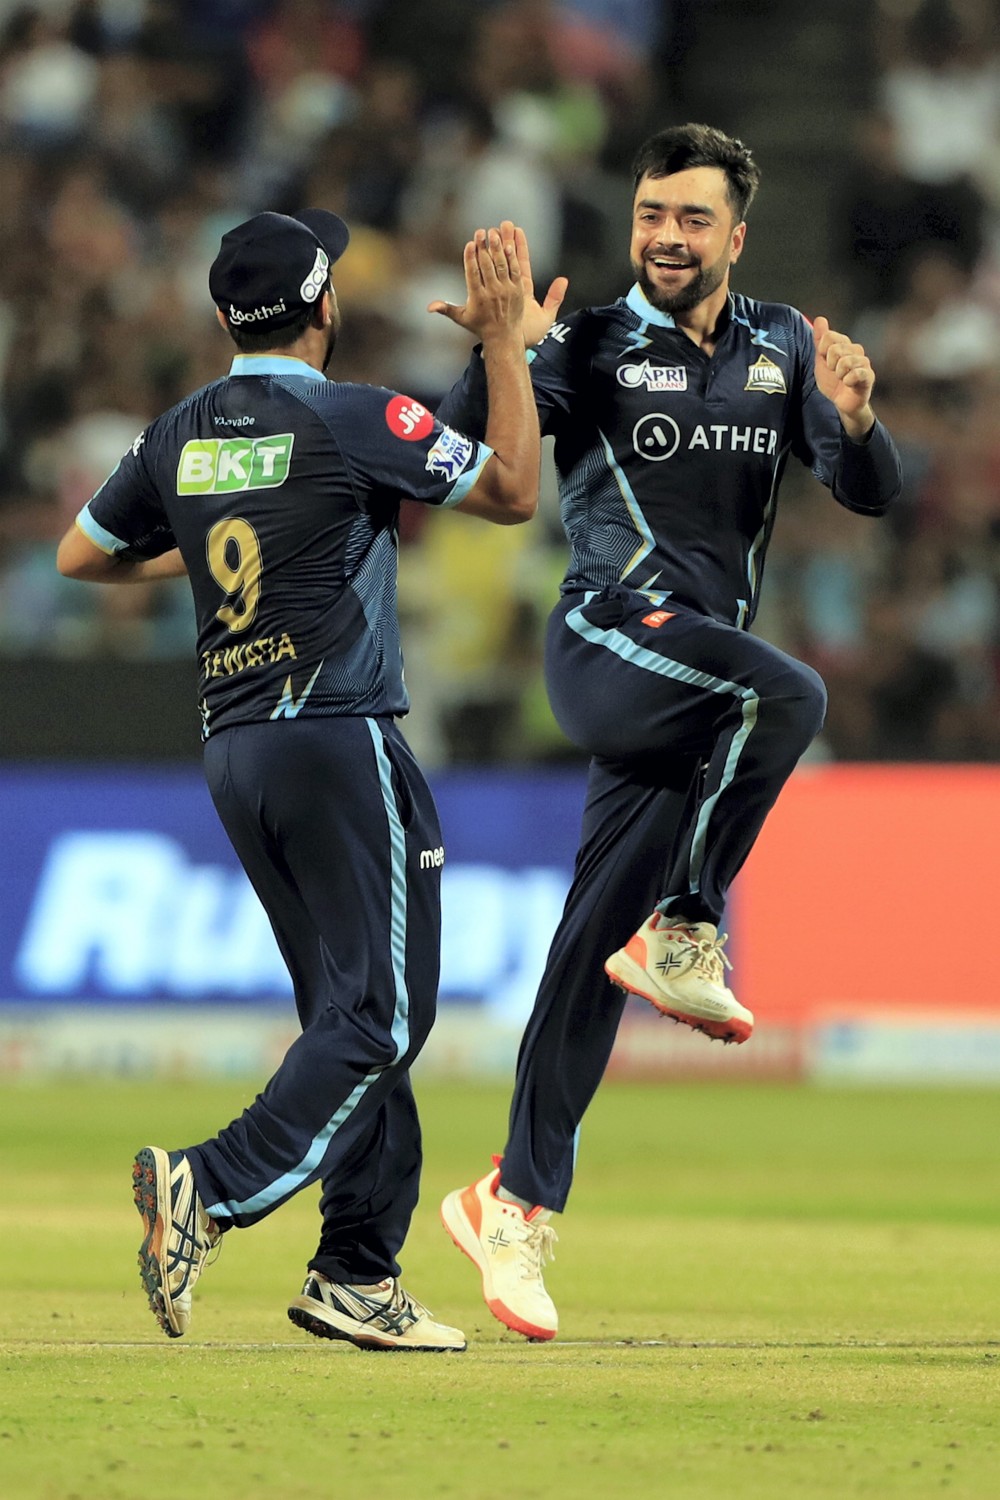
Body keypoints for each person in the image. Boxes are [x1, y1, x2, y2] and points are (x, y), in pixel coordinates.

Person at [436, 122, 903, 1341]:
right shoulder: (586, 339)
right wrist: (498, 349)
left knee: (590, 952)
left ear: (735, 237)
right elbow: (475, 456)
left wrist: (854, 421)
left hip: (696, 681)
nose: (665, 238)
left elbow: (866, 492)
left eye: (692, 220)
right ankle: (691, 925)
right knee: (788, 692)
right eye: (650, 215)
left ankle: (513, 1202)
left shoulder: (783, 343)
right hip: (606, 640)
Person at [56, 208, 540, 1351]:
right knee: (381, 1018)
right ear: (325, 305)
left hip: (234, 747)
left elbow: (80, 553)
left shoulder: (179, 430)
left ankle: (355, 1271)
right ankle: (207, 1188)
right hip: (335, 730)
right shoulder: (351, 413)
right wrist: (508, 345)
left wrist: (237, 522)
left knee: (348, 1014)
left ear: (229, 318)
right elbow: (514, 490)